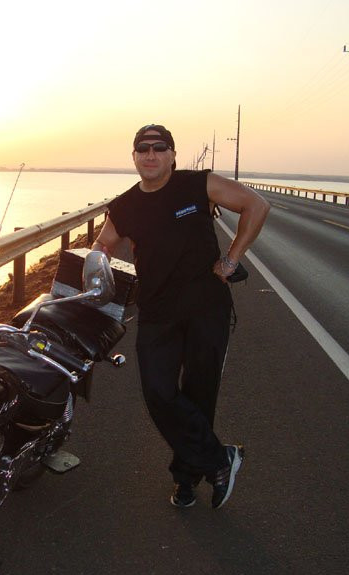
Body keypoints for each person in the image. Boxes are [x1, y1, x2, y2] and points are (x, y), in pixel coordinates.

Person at [92, 123, 270, 509]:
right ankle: (220, 459)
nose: (151, 154)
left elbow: (257, 206)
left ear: (173, 154)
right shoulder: (125, 205)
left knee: (198, 394)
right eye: (143, 148)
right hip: (156, 312)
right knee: (159, 392)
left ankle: (185, 479)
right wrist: (97, 263)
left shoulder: (198, 184)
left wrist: (231, 260)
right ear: (134, 157)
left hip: (207, 308)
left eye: (160, 148)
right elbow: (102, 244)